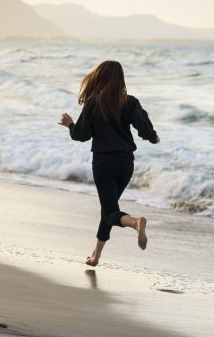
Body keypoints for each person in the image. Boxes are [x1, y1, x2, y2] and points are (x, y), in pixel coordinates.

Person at [58, 60, 159, 267]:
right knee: (109, 209)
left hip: (104, 163)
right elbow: (145, 129)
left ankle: (134, 222)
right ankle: (96, 256)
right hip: (126, 163)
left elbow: (81, 135)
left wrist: (70, 125)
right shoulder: (130, 102)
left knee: (111, 212)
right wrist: (154, 138)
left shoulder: (94, 102)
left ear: (99, 78)